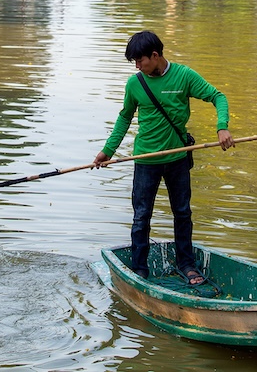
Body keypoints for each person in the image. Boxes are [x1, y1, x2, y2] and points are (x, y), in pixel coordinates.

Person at [93, 31, 234, 285]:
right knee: (141, 216)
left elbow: (218, 97)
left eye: (140, 61)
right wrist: (108, 150)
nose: (137, 66)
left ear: (155, 56)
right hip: (146, 159)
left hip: (177, 157)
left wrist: (222, 126)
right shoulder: (135, 84)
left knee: (182, 213)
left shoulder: (184, 76)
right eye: (134, 62)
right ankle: (139, 270)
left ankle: (187, 265)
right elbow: (125, 116)